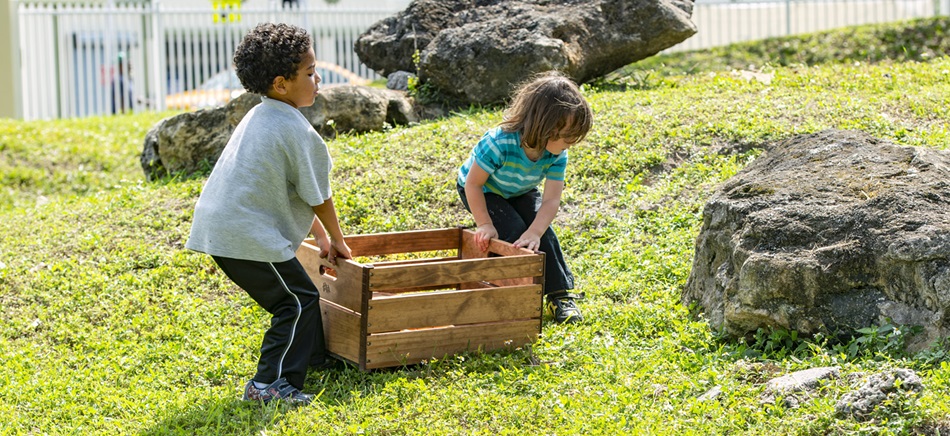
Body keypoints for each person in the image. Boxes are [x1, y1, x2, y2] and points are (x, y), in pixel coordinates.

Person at [185, 22, 351, 405]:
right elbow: (319, 196)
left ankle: (311, 361)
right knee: (295, 301)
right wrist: (338, 240)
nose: (318, 78)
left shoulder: (262, 114)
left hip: (225, 228)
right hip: (244, 233)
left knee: (297, 297)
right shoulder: (295, 130)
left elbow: (293, 189)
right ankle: (269, 386)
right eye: (309, 73)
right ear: (281, 84)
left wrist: (321, 239)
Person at [456, 70, 593, 324]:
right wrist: (485, 223)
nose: (571, 143)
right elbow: (473, 185)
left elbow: (551, 200)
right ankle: (511, 293)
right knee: (512, 231)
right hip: (483, 190)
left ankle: (560, 296)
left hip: (519, 190)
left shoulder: (557, 152)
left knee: (542, 233)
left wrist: (536, 232)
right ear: (545, 126)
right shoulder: (500, 142)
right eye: (567, 136)